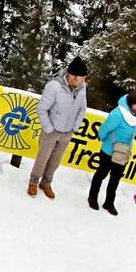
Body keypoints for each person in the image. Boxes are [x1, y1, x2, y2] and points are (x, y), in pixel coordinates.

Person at [29, 57, 87, 199]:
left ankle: (46, 183)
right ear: (72, 76)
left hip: (67, 131)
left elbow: (82, 109)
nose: (83, 80)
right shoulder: (54, 86)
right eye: (81, 77)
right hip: (52, 130)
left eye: (84, 78)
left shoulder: (82, 88)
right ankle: (33, 182)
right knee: (43, 158)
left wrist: (75, 127)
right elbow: (42, 109)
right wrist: (48, 128)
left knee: (56, 160)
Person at [89, 91, 136, 215]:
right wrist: (105, 141)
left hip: (123, 152)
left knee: (115, 179)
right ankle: (92, 197)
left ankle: (109, 202)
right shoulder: (118, 114)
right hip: (109, 150)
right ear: (131, 105)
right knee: (101, 173)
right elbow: (104, 129)